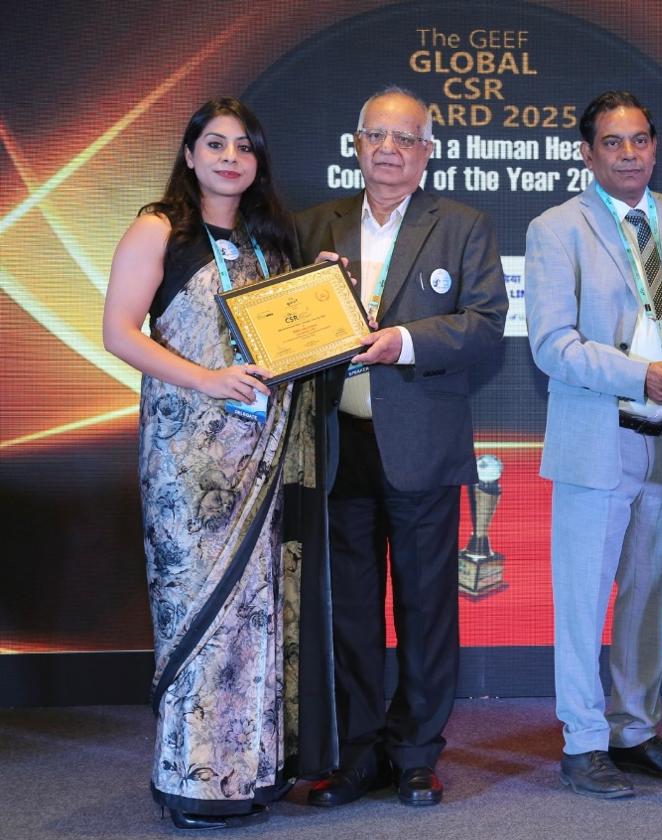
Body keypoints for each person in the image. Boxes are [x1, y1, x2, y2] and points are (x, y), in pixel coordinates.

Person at [102, 97, 335, 830]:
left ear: (258, 161)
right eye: (215, 144)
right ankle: (192, 783)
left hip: (261, 458)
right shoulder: (159, 228)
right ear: (190, 153)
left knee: (257, 610)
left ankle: (249, 774)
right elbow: (118, 333)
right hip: (187, 460)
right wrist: (206, 380)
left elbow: (291, 343)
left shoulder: (270, 242)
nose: (231, 158)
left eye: (244, 146)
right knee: (197, 614)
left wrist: (323, 292)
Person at [524, 90, 662, 799]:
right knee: (583, 601)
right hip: (600, 436)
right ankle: (584, 742)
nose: (628, 154)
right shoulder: (556, 229)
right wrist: (635, 375)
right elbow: (551, 344)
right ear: (587, 154)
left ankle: (635, 729)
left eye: (640, 140)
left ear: (655, 146)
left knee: (650, 595)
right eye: (612, 143)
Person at [293, 86, 507, 808]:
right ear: (356, 145)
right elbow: (282, 331)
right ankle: (357, 754)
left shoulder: (464, 225)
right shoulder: (312, 226)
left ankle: (416, 752)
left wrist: (404, 341)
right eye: (376, 136)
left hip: (421, 443)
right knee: (350, 611)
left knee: (425, 606)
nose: (389, 149)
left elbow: (485, 323)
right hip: (338, 445)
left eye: (405, 137)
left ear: (427, 151)